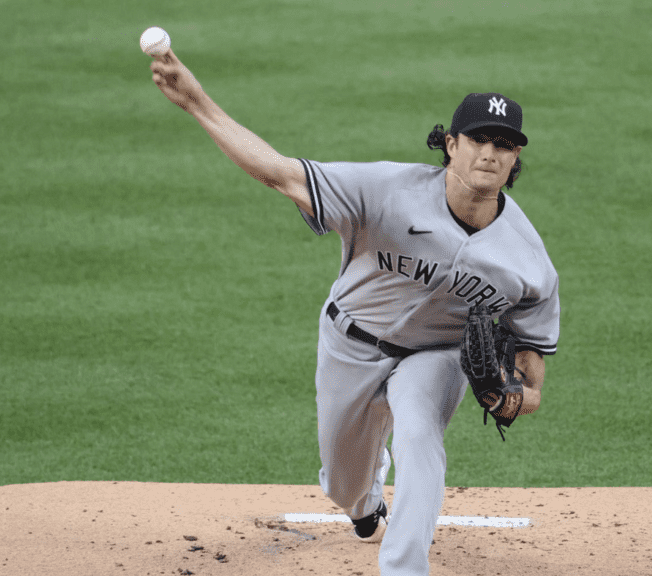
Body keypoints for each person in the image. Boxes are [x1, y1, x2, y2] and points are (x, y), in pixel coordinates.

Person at [148, 49, 560, 576]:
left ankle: (405, 568)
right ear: (451, 145)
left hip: (437, 355)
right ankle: (364, 504)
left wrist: (511, 399)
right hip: (351, 340)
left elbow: (532, 380)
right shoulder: (386, 191)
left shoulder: (528, 262)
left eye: (504, 145)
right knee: (342, 483)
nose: (490, 153)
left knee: (419, 435)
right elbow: (277, 173)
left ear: (515, 158)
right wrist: (197, 103)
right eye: (478, 139)